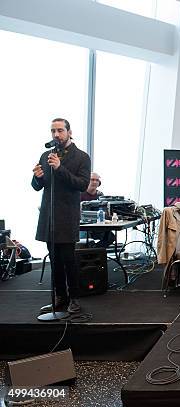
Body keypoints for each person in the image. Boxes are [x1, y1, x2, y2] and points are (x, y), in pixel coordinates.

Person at [32, 118, 91, 314]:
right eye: (53, 131)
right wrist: (37, 177)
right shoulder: (45, 156)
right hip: (49, 216)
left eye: (60, 130)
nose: (56, 134)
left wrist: (59, 168)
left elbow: (82, 185)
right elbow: (38, 187)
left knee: (68, 259)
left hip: (67, 216)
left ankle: (74, 298)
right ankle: (60, 297)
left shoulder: (81, 157)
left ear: (69, 132)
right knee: (55, 260)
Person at [80, 172, 115, 248]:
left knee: (110, 237)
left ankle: (94, 250)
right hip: (84, 226)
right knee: (84, 239)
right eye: (92, 180)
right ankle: (87, 253)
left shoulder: (100, 195)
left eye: (97, 180)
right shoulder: (80, 194)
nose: (95, 182)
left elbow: (104, 210)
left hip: (97, 225)